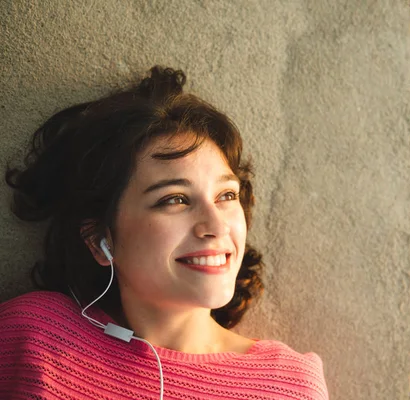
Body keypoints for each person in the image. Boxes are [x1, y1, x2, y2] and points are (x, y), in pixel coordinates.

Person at [0, 66, 328, 399]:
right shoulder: (33, 338)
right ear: (100, 241)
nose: (216, 226)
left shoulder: (292, 384)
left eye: (226, 195)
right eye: (175, 200)